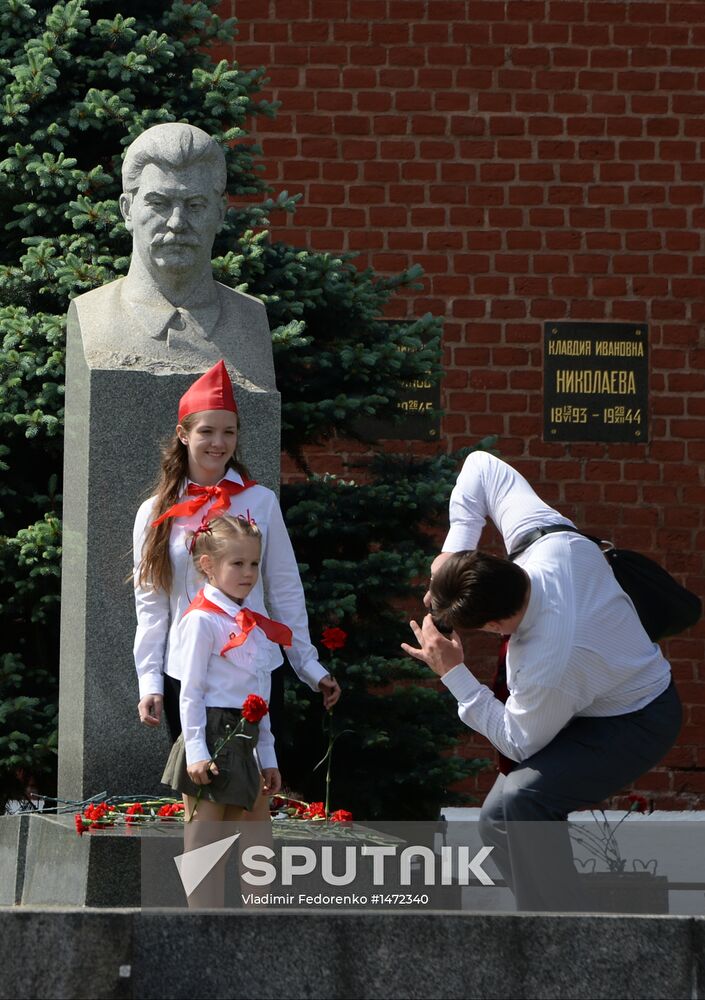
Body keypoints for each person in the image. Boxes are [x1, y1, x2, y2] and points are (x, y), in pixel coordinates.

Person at [402, 451, 681, 911]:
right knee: (495, 821)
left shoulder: (546, 661)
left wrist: (454, 673)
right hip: (594, 691)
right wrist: (452, 552)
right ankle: (547, 921)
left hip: (639, 718)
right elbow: (481, 467)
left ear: (493, 627)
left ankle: (559, 939)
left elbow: (518, 742)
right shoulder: (549, 541)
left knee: (525, 800)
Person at [133, 359, 341, 824]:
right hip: (191, 678)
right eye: (208, 431)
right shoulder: (155, 512)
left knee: (254, 809)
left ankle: (254, 900)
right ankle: (204, 898)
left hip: (254, 672)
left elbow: (285, 590)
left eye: (229, 432)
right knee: (204, 810)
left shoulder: (259, 501)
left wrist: (309, 666)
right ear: (184, 434)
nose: (219, 443)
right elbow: (150, 602)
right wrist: (149, 680)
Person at [161, 514, 285, 818]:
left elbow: (260, 694)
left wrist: (267, 757)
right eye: (237, 563)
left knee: (256, 851)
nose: (248, 573)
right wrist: (197, 751)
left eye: (254, 564)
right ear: (207, 564)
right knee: (205, 855)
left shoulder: (252, 622)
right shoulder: (202, 620)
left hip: (247, 740)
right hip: (213, 736)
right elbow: (190, 692)